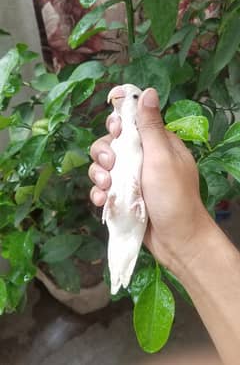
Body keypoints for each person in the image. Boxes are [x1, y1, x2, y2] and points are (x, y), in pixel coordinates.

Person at [89, 88, 240, 365]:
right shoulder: (122, 140)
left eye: (133, 97)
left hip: (137, 217)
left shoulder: (139, 139)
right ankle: (118, 270)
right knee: (117, 236)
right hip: (121, 218)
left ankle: (120, 271)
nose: (121, 98)